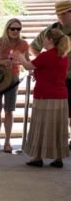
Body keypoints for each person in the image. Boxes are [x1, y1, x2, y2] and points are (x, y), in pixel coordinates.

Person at [14, 29, 70, 167]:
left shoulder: (46, 55)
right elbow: (50, 71)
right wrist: (39, 73)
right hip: (60, 96)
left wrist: (20, 56)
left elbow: (27, 66)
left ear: (50, 40)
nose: (43, 41)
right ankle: (58, 158)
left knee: (41, 126)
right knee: (57, 128)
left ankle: (37, 157)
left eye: (45, 38)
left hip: (45, 96)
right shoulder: (63, 55)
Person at [30, 0, 71, 151]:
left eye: (65, 13)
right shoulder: (52, 30)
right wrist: (46, 62)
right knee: (57, 117)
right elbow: (34, 48)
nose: (61, 16)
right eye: (59, 13)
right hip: (55, 81)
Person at [0, 19, 29, 153]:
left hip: (13, 78)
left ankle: (7, 141)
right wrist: (2, 62)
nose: (15, 31)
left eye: (18, 29)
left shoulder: (23, 44)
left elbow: (27, 62)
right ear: (7, 29)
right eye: (13, 28)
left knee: (9, 110)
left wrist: (19, 61)